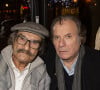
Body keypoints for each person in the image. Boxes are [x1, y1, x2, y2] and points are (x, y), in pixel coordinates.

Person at [49, 15, 100, 90]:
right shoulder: (45, 65)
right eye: (57, 37)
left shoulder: (97, 63)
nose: (61, 44)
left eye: (68, 36)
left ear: (81, 38)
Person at [0, 22, 50, 90]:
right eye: (22, 39)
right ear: (13, 40)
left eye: (34, 42)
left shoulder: (42, 74)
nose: (26, 47)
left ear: (39, 48)